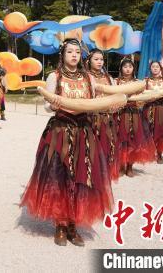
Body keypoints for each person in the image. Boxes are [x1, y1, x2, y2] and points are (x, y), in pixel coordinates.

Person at [20, 39, 116, 247]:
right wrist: (53, 104)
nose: (74, 55)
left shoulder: (89, 78)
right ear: (62, 55)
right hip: (60, 132)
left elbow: (96, 102)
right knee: (59, 177)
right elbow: (47, 105)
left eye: (77, 52)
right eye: (70, 52)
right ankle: (61, 225)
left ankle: (74, 225)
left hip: (84, 133)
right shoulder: (54, 77)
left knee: (82, 178)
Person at [115, 57, 156, 177]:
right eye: (125, 67)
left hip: (134, 114)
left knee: (133, 139)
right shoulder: (116, 81)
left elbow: (142, 98)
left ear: (134, 69)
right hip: (119, 114)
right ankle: (122, 166)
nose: (127, 69)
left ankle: (130, 167)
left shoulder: (138, 82)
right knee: (120, 139)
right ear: (121, 68)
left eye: (130, 67)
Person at [86, 49, 119, 181]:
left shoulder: (109, 78)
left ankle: (102, 176)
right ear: (89, 61)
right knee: (90, 150)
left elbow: (115, 96)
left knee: (106, 147)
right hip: (90, 118)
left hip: (107, 119)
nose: (99, 62)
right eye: (96, 59)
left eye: (101, 59)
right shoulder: (85, 77)